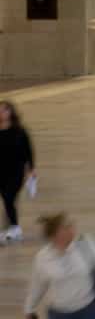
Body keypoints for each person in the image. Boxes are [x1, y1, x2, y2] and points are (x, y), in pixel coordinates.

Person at [0, 98, 34, 240]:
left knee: (9, 197)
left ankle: (15, 228)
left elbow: (28, 151)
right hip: (1, 172)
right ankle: (11, 228)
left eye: (5, 110)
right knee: (7, 199)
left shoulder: (19, 130)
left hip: (16, 172)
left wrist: (31, 169)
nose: (2, 113)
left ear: (11, 112)